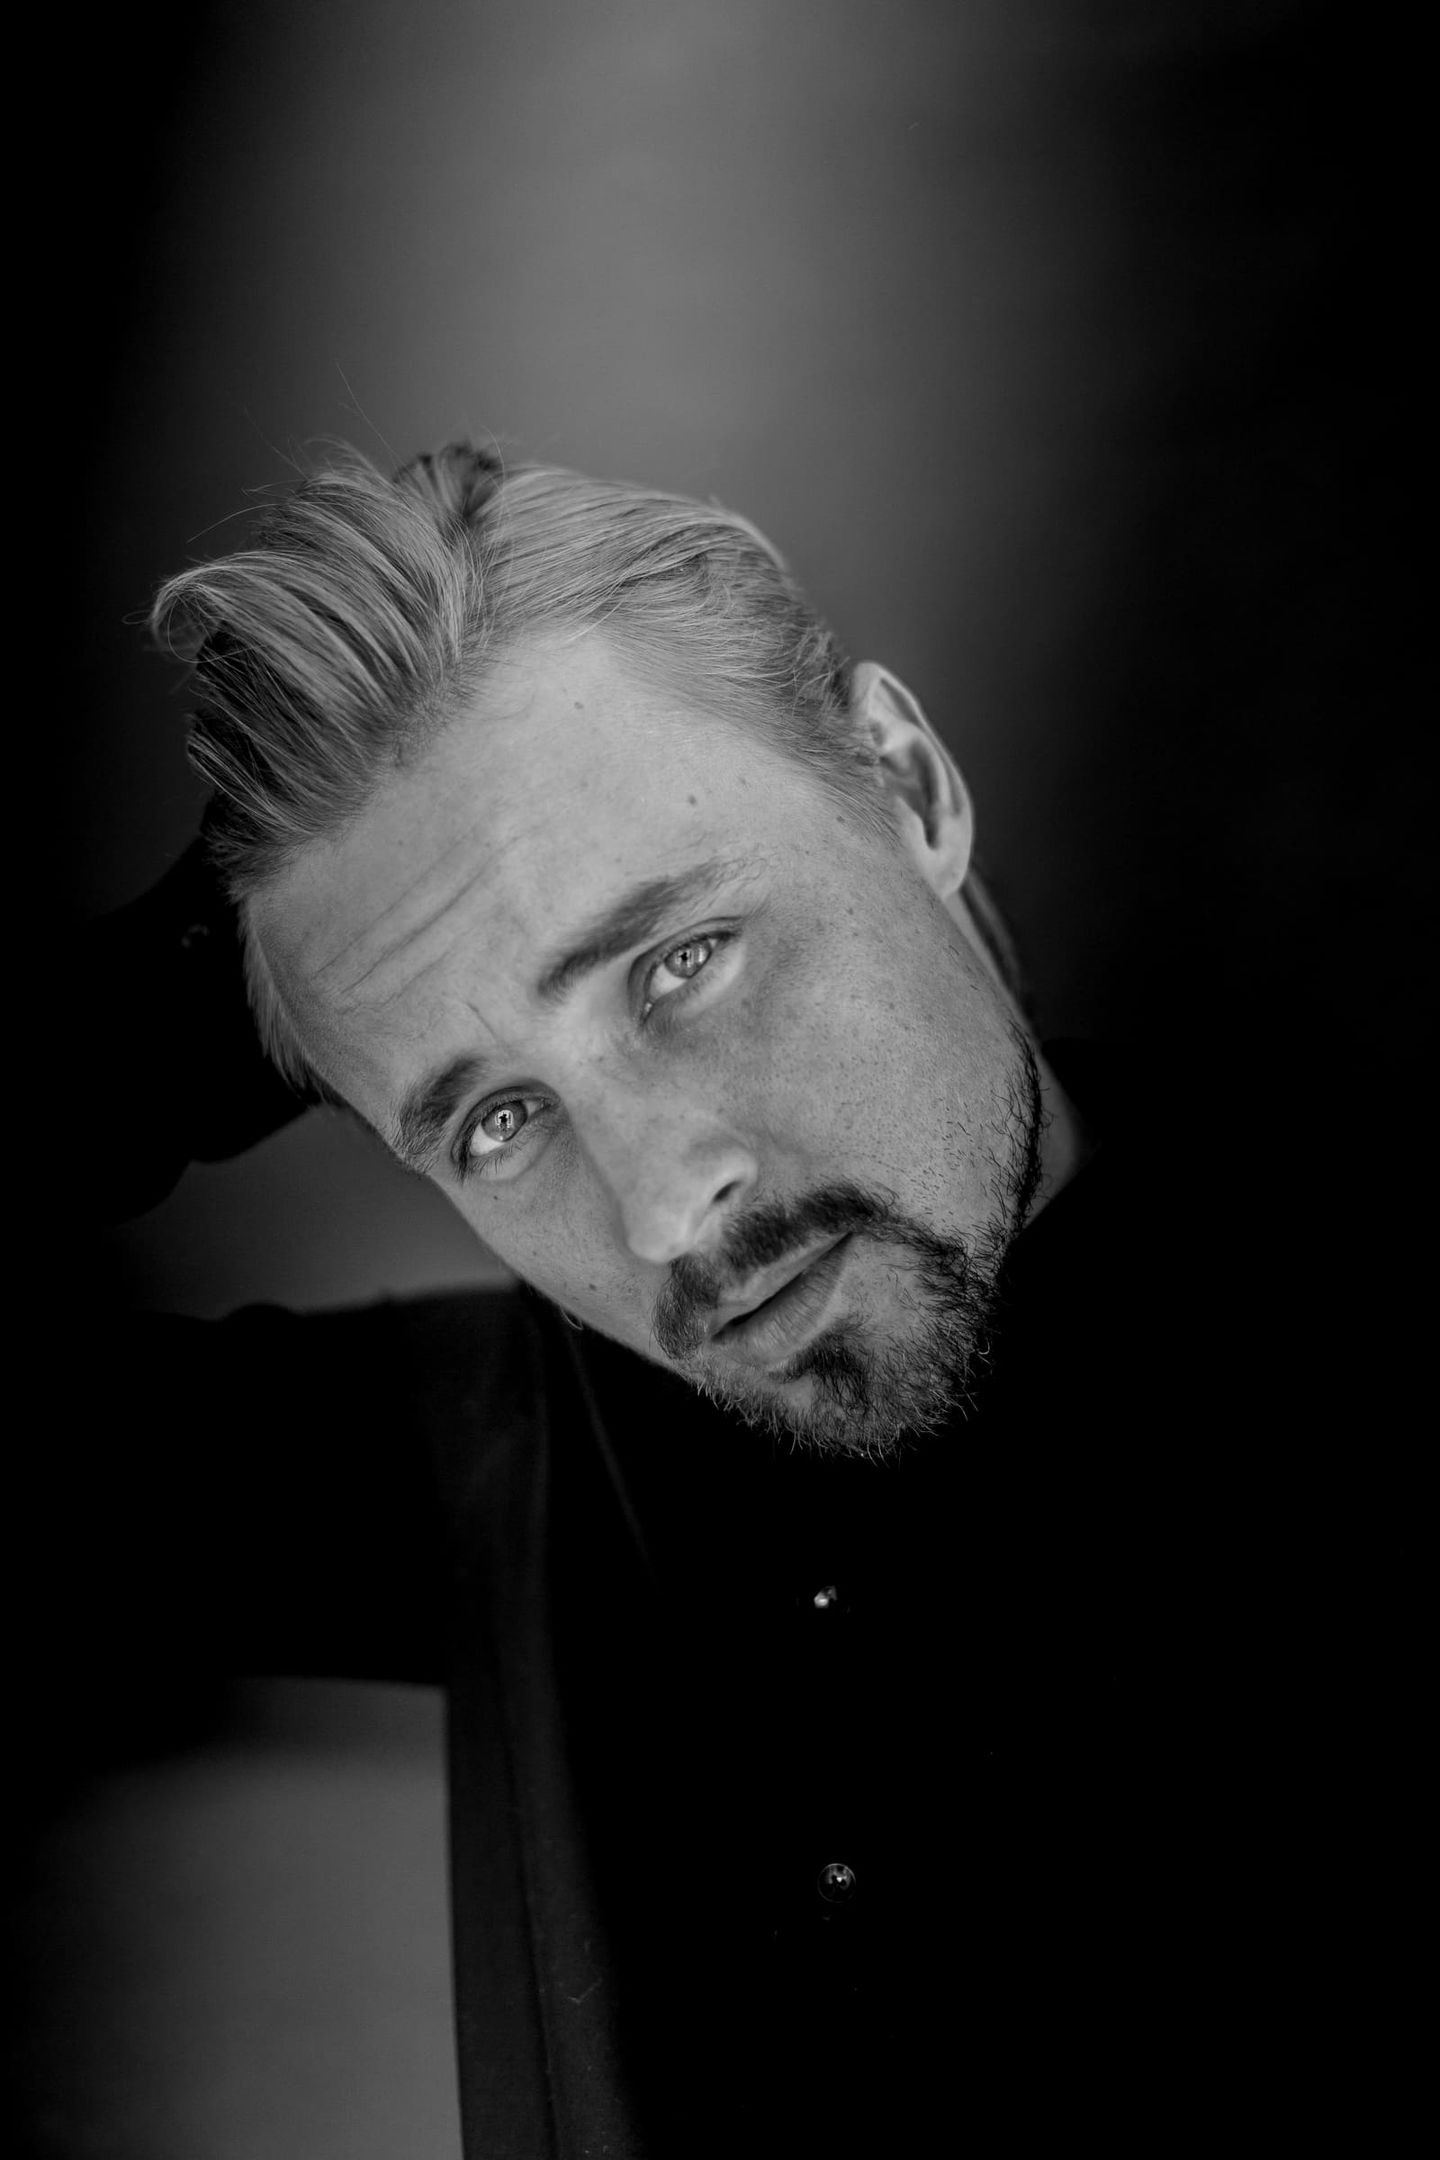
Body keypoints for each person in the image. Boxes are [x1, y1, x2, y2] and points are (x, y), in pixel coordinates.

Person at [29, 442, 1404, 2154]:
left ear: (906, 787)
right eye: (495, 1120)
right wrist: (222, 989)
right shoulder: (525, 1471)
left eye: (678, 965)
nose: (667, 1207)